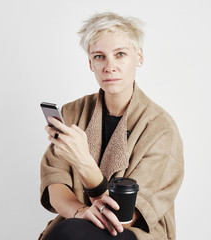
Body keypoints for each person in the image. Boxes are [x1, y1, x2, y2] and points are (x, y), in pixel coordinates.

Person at [39, 12, 184, 240]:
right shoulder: (72, 112)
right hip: (77, 222)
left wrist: (83, 162)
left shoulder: (161, 129)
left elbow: (125, 217)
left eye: (120, 54)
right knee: (68, 230)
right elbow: (55, 181)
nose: (110, 66)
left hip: (133, 232)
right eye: (99, 57)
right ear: (90, 63)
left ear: (139, 57)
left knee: (70, 233)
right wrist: (81, 211)